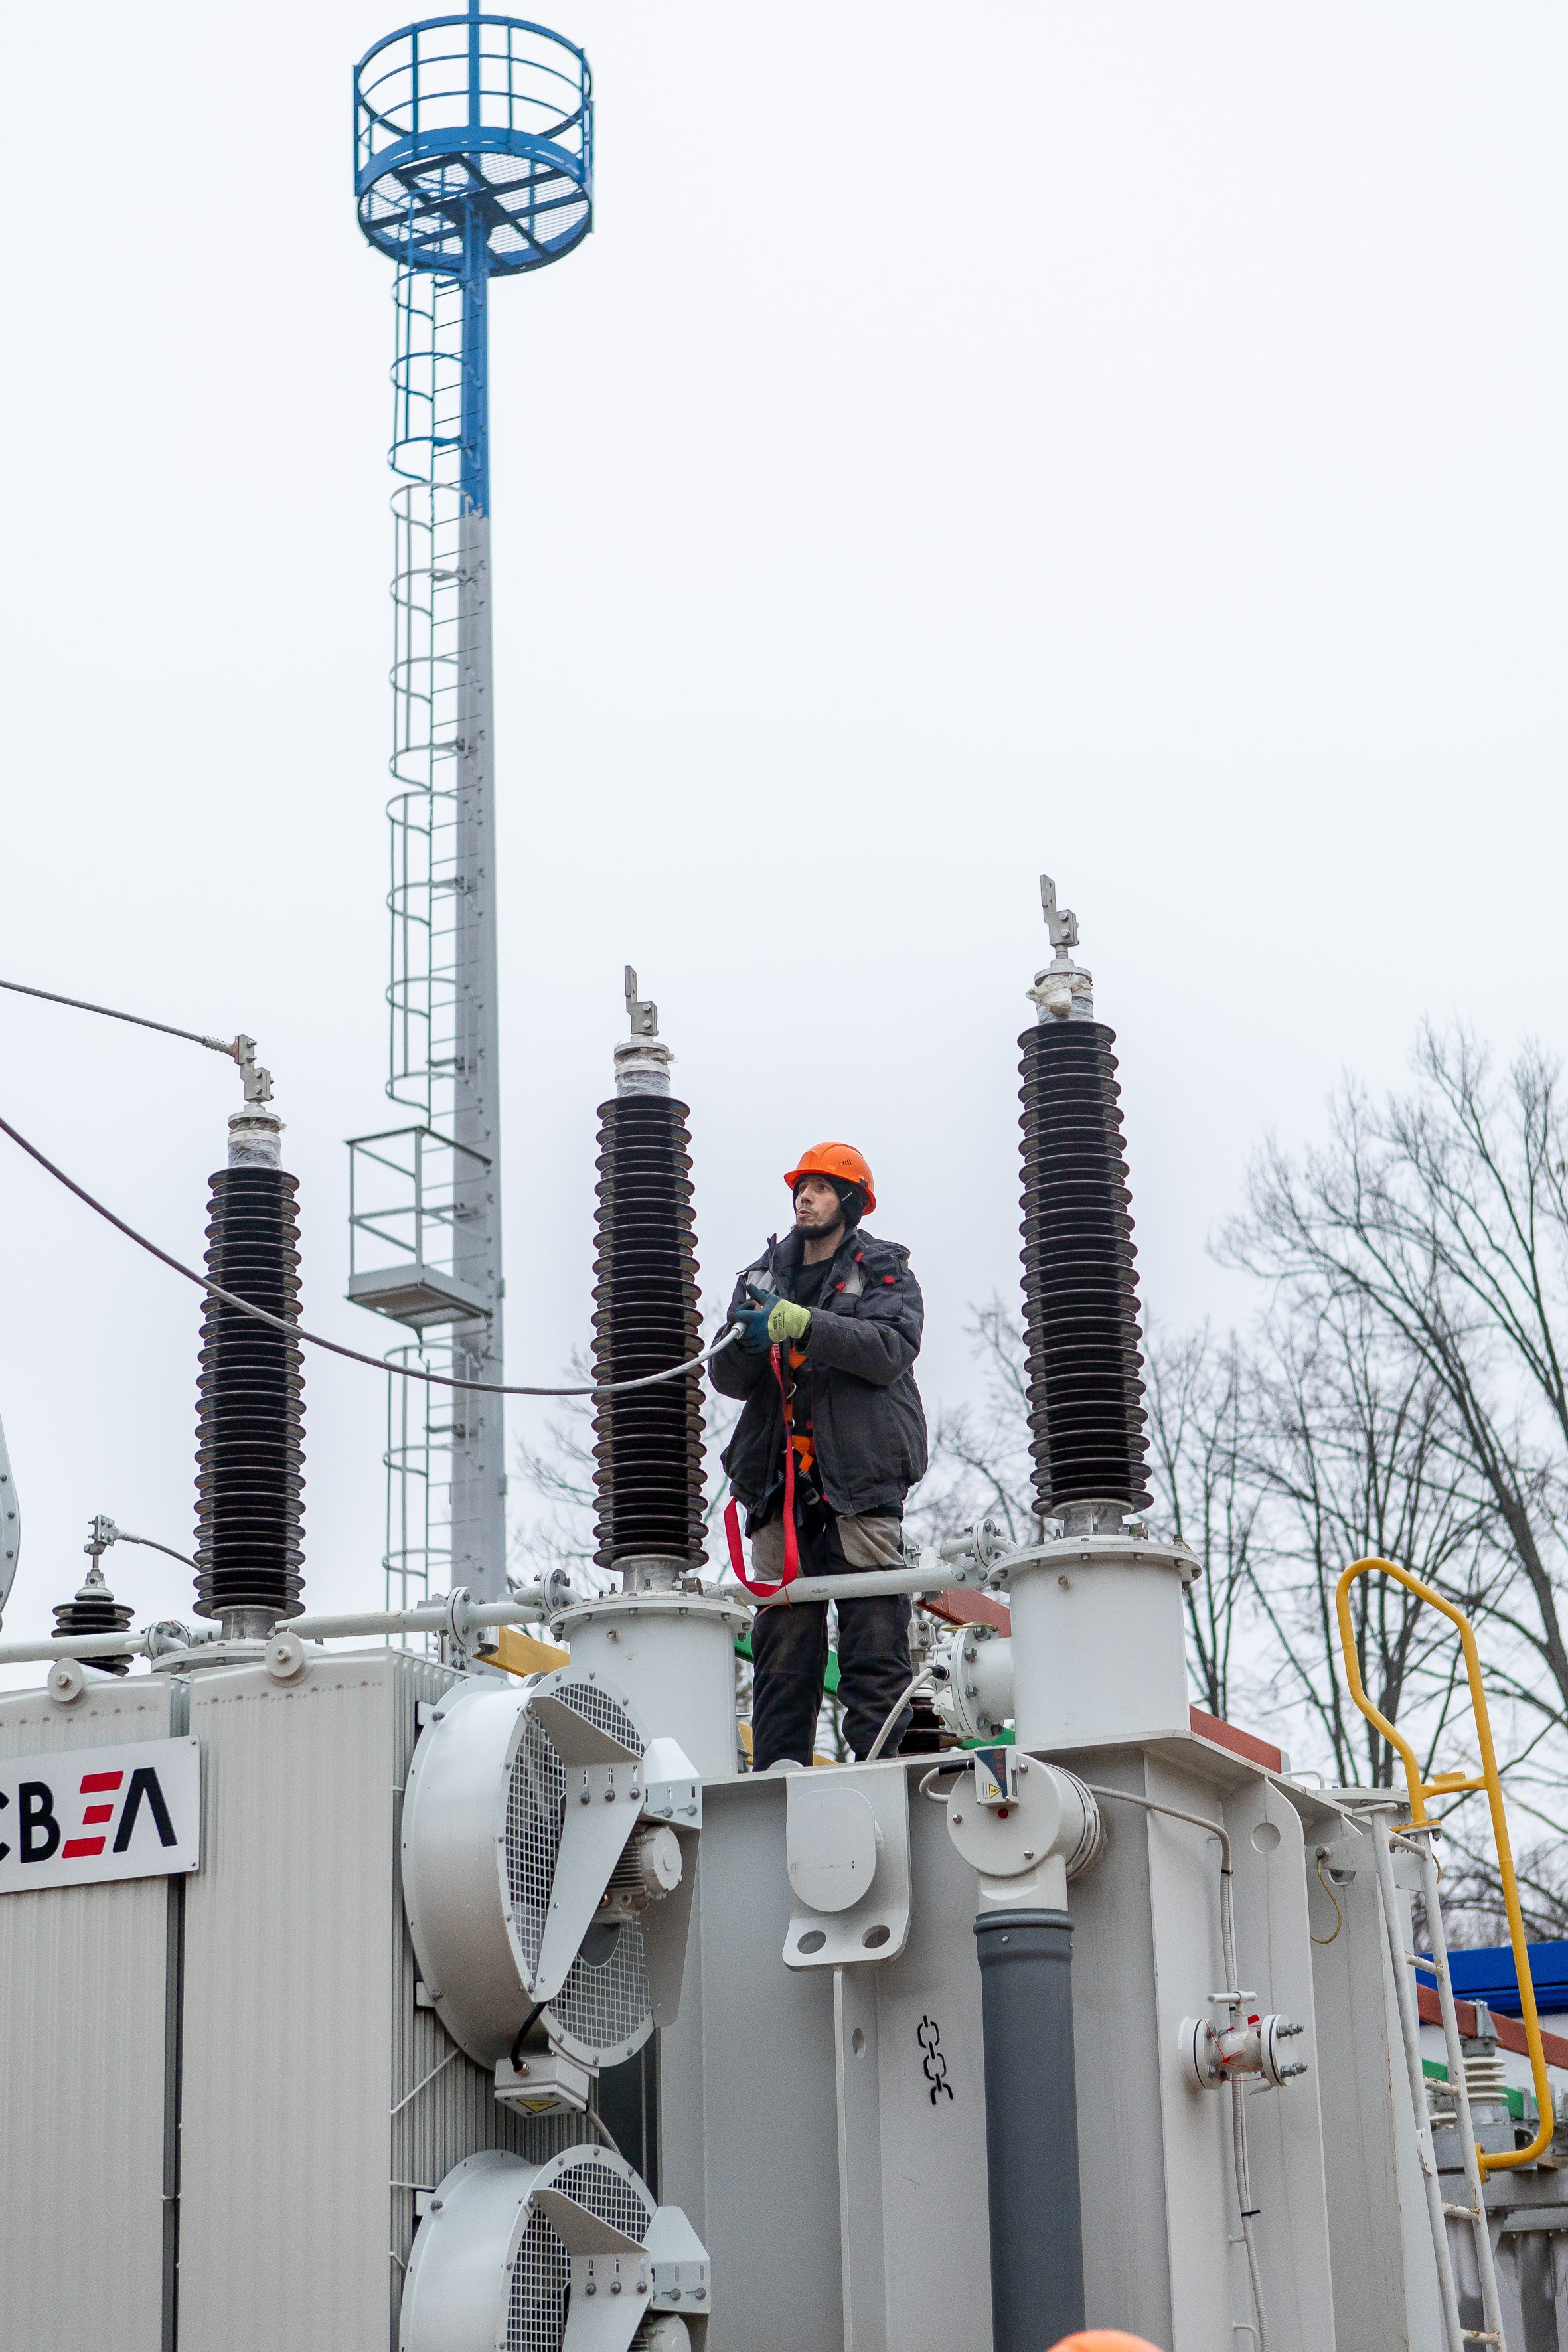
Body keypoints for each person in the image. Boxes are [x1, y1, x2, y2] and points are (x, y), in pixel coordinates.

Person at [712, 1142, 928, 1771]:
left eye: (822, 1188)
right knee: (783, 1650)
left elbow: (890, 1347)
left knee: (874, 1642)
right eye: (800, 1187)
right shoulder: (760, 1277)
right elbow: (728, 1376)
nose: (805, 1197)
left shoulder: (883, 1269)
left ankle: (886, 1772)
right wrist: (749, 1342)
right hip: (779, 1490)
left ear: (851, 1201)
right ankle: (778, 1779)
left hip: (858, 1485)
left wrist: (802, 1323)